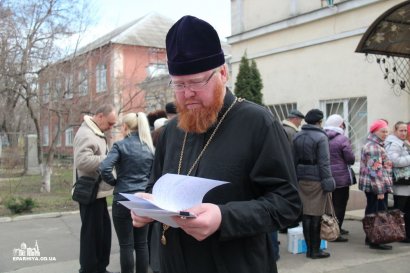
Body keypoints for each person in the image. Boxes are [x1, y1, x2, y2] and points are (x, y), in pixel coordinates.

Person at [131, 15, 302, 273]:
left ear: (222, 73)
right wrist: (146, 205)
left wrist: (224, 217)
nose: (187, 93)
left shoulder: (258, 123)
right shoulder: (171, 131)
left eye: (197, 82)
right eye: (178, 84)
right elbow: (154, 185)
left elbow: (288, 204)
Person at [99, 112, 155, 273]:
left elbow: (104, 168)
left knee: (126, 245)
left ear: (125, 127)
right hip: (144, 199)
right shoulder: (150, 148)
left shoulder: (120, 145)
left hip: (123, 199)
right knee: (142, 244)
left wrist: (115, 183)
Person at [73, 104, 118, 273]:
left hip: (96, 192)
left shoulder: (94, 131)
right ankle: (89, 269)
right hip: (89, 193)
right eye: (110, 123)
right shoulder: (86, 133)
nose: (110, 127)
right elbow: (82, 161)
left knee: (102, 233)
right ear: (99, 116)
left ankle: (99, 267)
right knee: (91, 235)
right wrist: (108, 158)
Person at [293, 108, 335, 259]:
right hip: (317, 179)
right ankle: (315, 250)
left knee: (306, 214)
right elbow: (324, 162)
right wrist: (328, 182)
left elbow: (293, 160)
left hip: (301, 179)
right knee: (316, 214)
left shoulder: (297, 136)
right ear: (320, 121)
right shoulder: (321, 137)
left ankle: (310, 249)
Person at [358, 119, 393, 250]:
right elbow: (376, 171)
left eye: (387, 131)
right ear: (374, 131)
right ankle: (376, 240)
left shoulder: (373, 144)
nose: (385, 134)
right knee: (378, 212)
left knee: (372, 211)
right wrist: (380, 191)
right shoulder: (373, 147)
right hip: (376, 186)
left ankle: (371, 237)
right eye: (382, 131)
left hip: (372, 185)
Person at [324, 114, 355, 242]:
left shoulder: (322, 137)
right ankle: (336, 231)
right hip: (341, 176)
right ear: (340, 125)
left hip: (326, 174)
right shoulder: (342, 139)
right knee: (340, 204)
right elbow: (350, 158)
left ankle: (329, 228)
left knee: (328, 205)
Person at [385, 121, 410, 243]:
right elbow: (394, 161)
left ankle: (405, 235)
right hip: (400, 183)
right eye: (401, 130)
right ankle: (398, 234)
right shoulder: (394, 144)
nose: (404, 133)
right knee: (400, 210)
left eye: (405, 130)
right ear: (395, 131)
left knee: (406, 210)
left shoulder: (402, 143)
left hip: (405, 182)